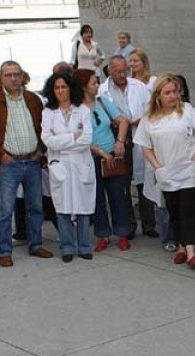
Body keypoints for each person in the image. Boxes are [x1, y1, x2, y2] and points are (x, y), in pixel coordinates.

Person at [0, 60, 54, 267]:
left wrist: (41, 150)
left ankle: (35, 244)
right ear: (0, 78)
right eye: (8, 74)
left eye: (16, 74)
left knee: (36, 207)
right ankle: (4, 250)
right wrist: (0, 155)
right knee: (5, 209)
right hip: (8, 163)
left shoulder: (32, 99)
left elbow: (44, 127)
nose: (13, 78)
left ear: (22, 76)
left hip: (32, 161)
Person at [136, 74, 195, 269]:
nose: (172, 96)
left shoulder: (186, 111)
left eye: (175, 92)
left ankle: (191, 252)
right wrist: (157, 166)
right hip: (167, 172)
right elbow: (145, 146)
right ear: (158, 95)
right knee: (174, 211)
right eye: (167, 92)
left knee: (189, 211)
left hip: (189, 170)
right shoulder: (149, 119)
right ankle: (180, 246)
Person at [99, 55, 157, 239]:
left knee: (144, 180)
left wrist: (140, 120)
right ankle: (129, 226)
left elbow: (151, 108)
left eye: (125, 70)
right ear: (109, 70)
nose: (123, 74)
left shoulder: (138, 86)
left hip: (139, 132)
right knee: (122, 183)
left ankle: (149, 225)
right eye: (118, 71)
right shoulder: (102, 91)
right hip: (118, 137)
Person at [74, 68, 130, 252]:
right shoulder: (76, 110)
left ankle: (122, 233)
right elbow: (79, 136)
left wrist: (120, 141)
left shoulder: (103, 102)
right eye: (93, 83)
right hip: (91, 158)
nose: (97, 85)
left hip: (111, 156)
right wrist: (100, 151)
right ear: (83, 87)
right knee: (96, 198)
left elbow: (122, 121)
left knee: (118, 196)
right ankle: (103, 234)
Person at [41, 73, 95, 263]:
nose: (61, 91)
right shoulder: (48, 112)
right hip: (60, 166)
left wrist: (61, 141)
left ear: (71, 88)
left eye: (64, 87)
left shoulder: (83, 110)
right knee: (62, 208)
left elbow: (87, 139)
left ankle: (84, 246)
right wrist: (72, 137)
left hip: (81, 164)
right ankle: (66, 247)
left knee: (83, 207)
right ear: (52, 90)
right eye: (57, 88)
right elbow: (48, 140)